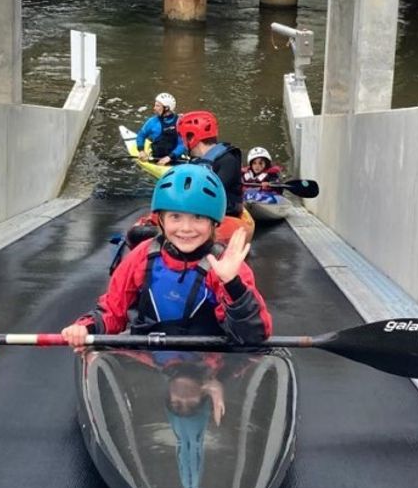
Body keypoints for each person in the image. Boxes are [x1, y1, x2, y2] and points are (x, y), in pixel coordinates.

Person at [62, 164, 272, 347]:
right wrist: (86, 327)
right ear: (161, 219)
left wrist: (232, 284)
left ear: (214, 222)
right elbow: (112, 311)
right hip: (149, 363)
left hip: (208, 370)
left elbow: (254, 337)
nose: (186, 228)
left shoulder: (225, 266)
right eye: (175, 217)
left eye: (199, 217)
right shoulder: (143, 255)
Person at [177, 110, 252, 244]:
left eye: (184, 138)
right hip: (202, 214)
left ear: (192, 137)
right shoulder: (197, 161)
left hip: (225, 216)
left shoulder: (228, 160)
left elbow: (211, 194)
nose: (183, 143)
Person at [136, 92, 187, 166]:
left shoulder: (179, 122)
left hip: (175, 160)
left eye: (157, 106)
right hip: (156, 159)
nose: (154, 108)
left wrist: (169, 157)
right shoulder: (152, 122)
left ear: (166, 108)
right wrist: (141, 150)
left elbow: (182, 144)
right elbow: (141, 135)